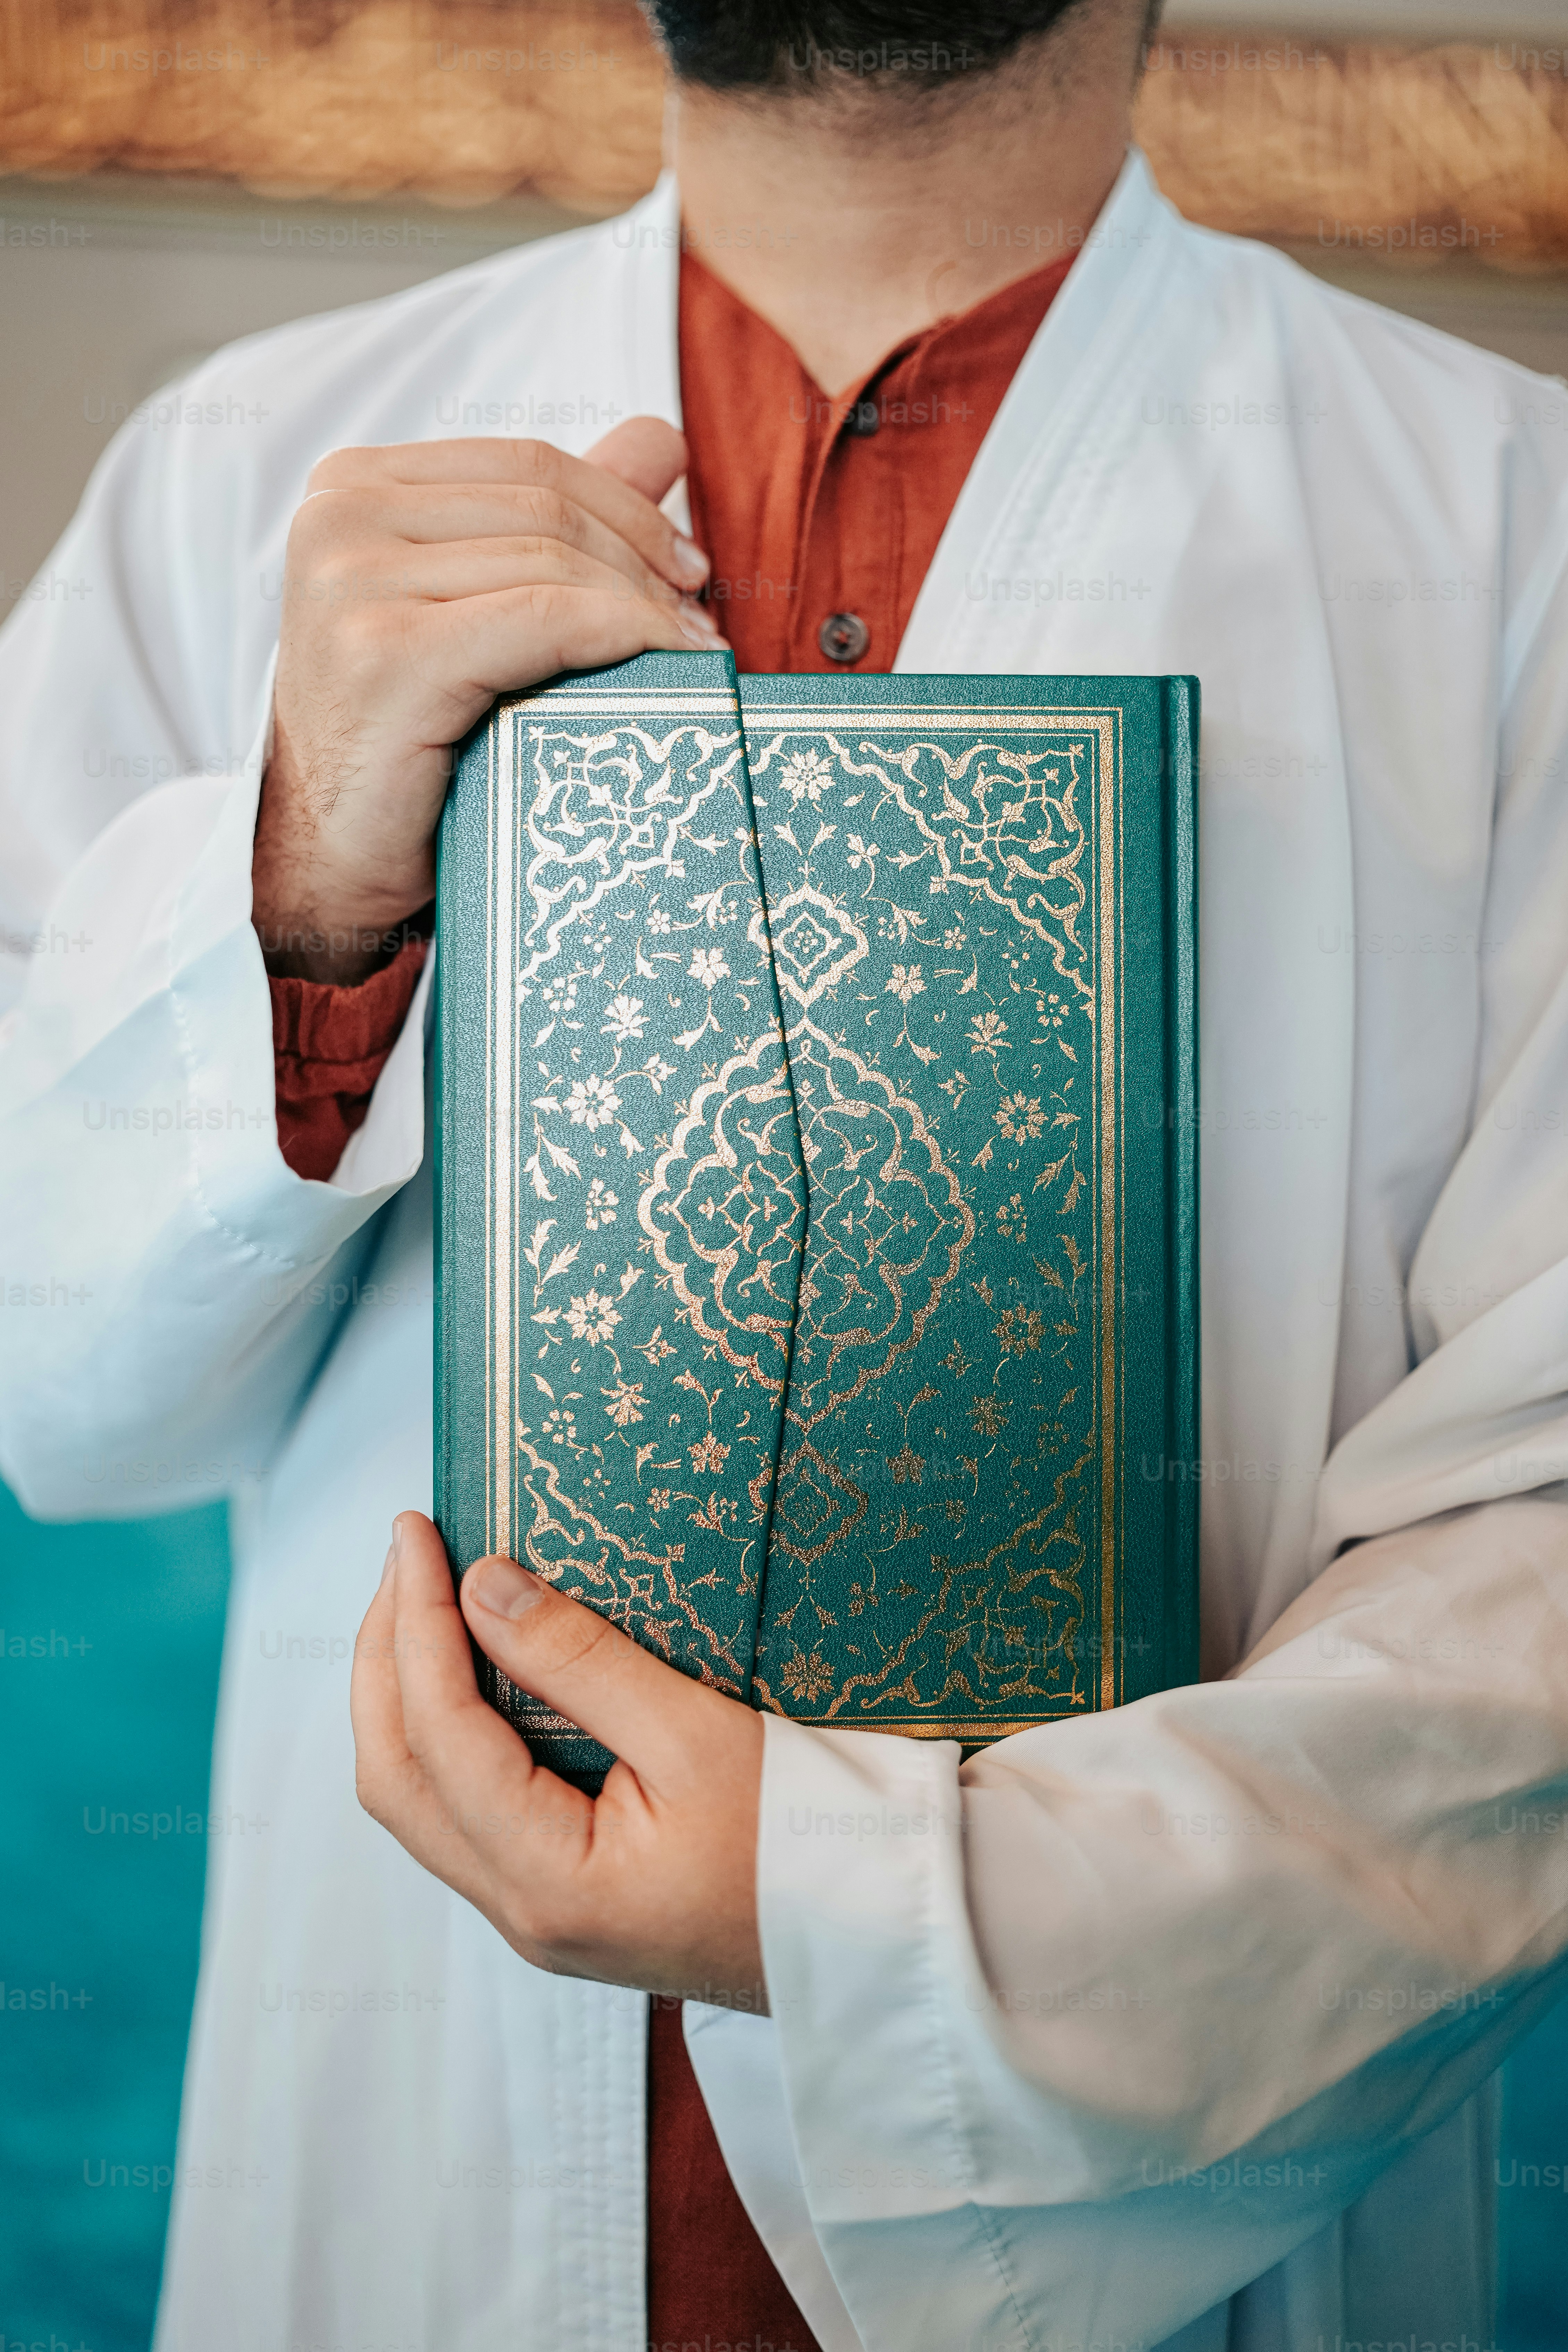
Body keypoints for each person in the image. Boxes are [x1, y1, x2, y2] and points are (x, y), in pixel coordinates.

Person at [3, 2, 1567, 2345]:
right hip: (400, 2204)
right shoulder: (241, 483)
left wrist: (881, 1916)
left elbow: (1532, 1590)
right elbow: (59, 1413)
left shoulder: (1519, 545)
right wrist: (294, 906)